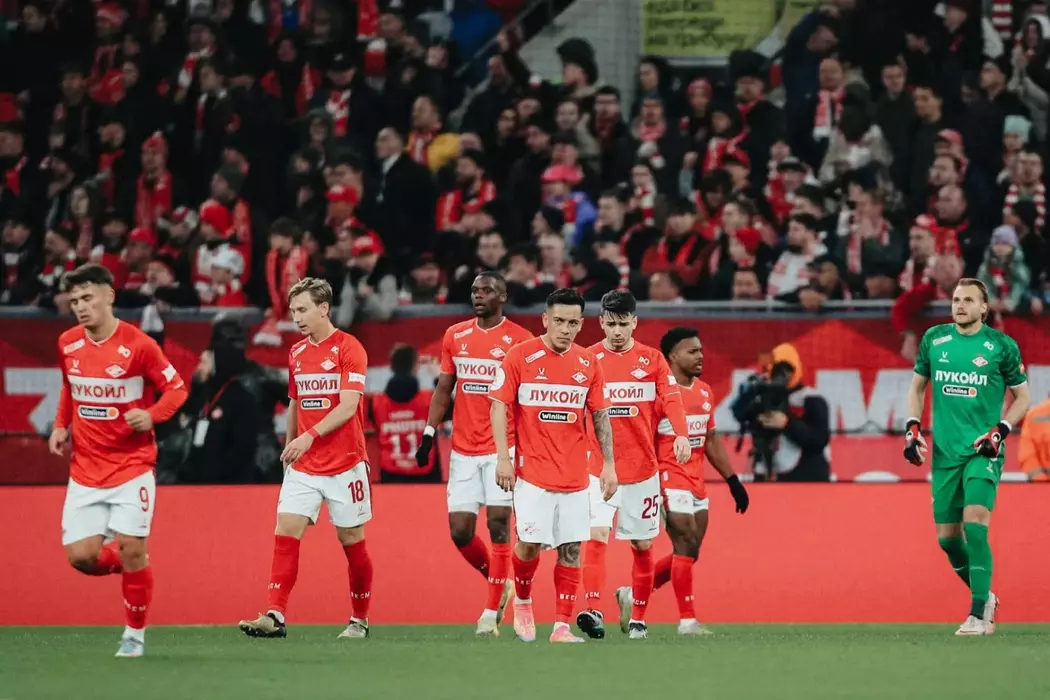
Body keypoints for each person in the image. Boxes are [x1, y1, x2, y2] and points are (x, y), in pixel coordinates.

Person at [48, 263, 189, 658]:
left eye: (87, 297)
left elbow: (177, 390)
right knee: (82, 558)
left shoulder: (140, 345)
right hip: (85, 470)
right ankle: (134, 562)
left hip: (132, 465)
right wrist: (60, 425)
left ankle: (134, 634)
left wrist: (152, 415)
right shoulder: (68, 343)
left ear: (109, 296)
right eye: (75, 300)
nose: (80, 306)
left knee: (130, 544)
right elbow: (69, 387)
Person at [239, 278, 374, 640]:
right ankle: (274, 615)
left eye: (302, 310)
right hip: (304, 465)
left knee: (351, 540)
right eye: (293, 310)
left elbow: (348, 406)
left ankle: (359, 619)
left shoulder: (350, 348)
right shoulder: (297, 353)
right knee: (285, 530)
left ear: (324, 308)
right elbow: (296, 403)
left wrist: (307, 436)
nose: (296, 317)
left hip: (346, 463)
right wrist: (290, 448)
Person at [489, 288, 617, 644]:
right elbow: (498, 406)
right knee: (529, 545)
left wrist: (608, 464)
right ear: (545, 319)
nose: (565, 329)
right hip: (532, 474)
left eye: (572, 323)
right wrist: (503, 457)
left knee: (572, 548)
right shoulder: (520, 356)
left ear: (581, 324)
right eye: (558, 321)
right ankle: (524, 602)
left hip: (575, 474)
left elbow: (601, 415)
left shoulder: (588, 363)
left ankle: (561, 626)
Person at [904, 278, 1031, 636]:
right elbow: (917, 388)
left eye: (968, 300)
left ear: (984, 308)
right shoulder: (934, 339)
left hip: (983, 449)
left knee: (975, 522)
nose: (959, 305)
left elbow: (1023, 398)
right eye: (956, 299)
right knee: (947, 539)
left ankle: (978, 614)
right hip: (945, 452)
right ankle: (985, 596)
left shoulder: (1001, 346)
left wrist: (1000, 431)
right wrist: (912, 427)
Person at [415, 272, 532, 636]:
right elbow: (444, 389)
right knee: (460, 531)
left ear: (503, 296)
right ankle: (500, 582)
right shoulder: (456, 335)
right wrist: (429, 432)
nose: (478, 296)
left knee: (498, 523)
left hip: (502, 447)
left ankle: (489, 614)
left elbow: (527, 400)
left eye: (487, 290)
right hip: (463, 449)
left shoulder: (520, 341)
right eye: (474, 291)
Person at [575, 290, 690, 641]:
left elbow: (672, 399)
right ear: (601, 323)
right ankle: (594, 610)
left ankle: (638, 617)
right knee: (596, 535)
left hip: (642, 471)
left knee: (641, 544)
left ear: (634, 323)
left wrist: (681, 434)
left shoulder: (652, 360)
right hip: (599, 470)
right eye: (611, 324)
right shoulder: (587, 359)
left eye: (623, 324)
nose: (617, 331)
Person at [646, 327, 749, 635]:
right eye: (692, 351)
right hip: (667, 476)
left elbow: (710, 440)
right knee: (685, 541)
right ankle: (687, 620)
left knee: (691, 551)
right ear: (673, 357)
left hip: (695, 480)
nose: (700, 356)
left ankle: (634, 591)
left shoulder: (704, 391)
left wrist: (732, 480)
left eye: (701, 350)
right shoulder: (658, 394)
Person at [369, 344, 440, 483]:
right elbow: (454, 409)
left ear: (391, 367)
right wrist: (439, 377)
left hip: (390, 478)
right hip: (427, 478)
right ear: (416, 367)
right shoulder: (430, 400)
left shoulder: (375, 403)